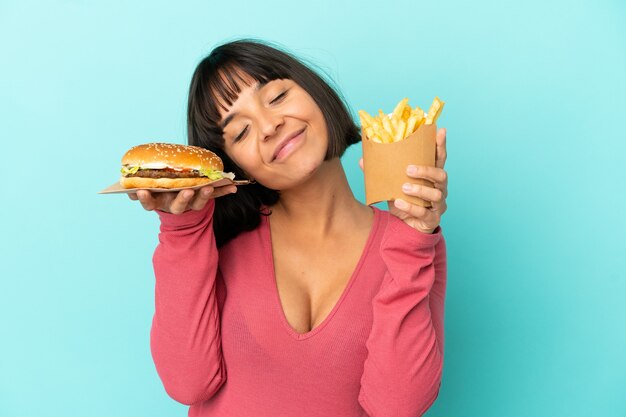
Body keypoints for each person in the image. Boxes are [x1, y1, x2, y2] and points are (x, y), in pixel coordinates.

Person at [129, 39, 449, 417]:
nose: (268, 126)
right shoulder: (218, 245)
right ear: (235, 165)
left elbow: (397, 406)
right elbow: (187, 382)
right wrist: (181, 231)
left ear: (315, 92)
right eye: (241, 132)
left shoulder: (410, 245)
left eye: (277, 96)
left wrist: (413, 237)